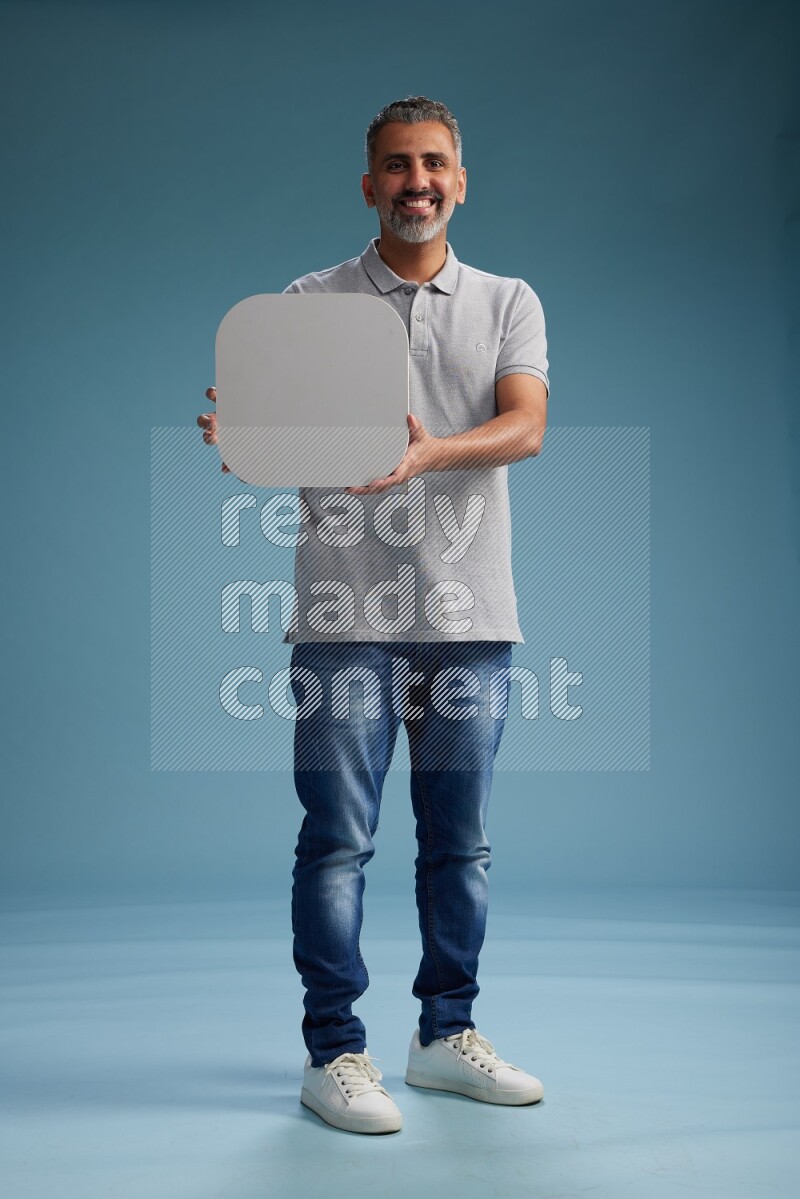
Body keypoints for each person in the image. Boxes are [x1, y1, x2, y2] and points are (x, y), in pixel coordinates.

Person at [198, 97, 549, 1136]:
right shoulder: (306, 301)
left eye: (433, 163)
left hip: (469, 611)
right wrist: (246, 436)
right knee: (336, 840)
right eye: (395, 165)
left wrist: (428, 450)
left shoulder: (506, 299)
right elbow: (278, 441)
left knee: (461, 845)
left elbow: (524, 425)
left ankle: (444, 1035)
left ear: (460, 180)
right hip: (344, 610)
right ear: (368, 184)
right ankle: (334, 1053)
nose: (415, 181)